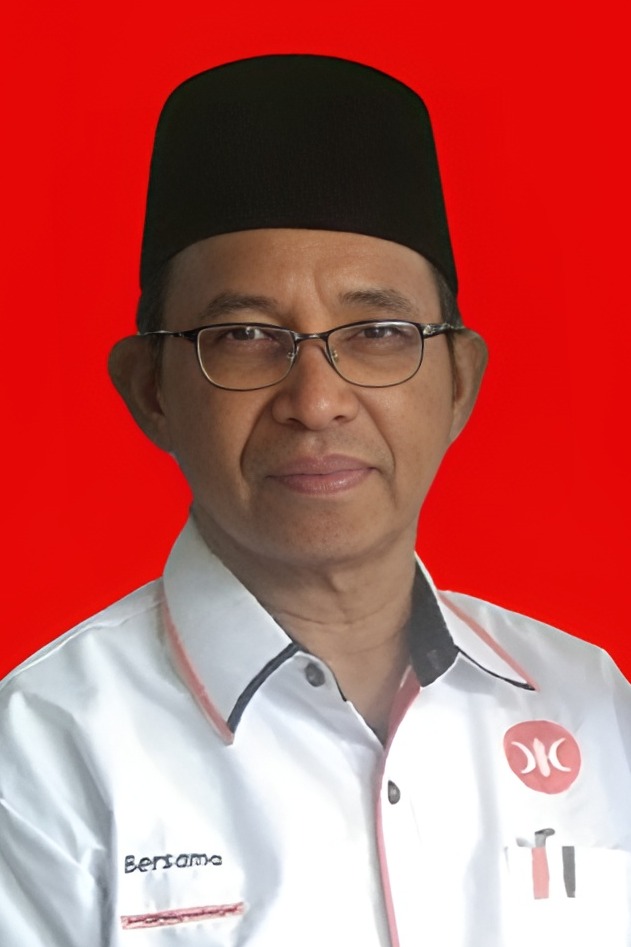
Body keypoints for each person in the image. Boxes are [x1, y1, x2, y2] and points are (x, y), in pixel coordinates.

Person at [1, 55, 629, 947]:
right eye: (245, 336)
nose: (317, 400)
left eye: (378, 332)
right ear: (151, 390)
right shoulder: (38, 755)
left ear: (459, 382)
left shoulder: (592, 706)